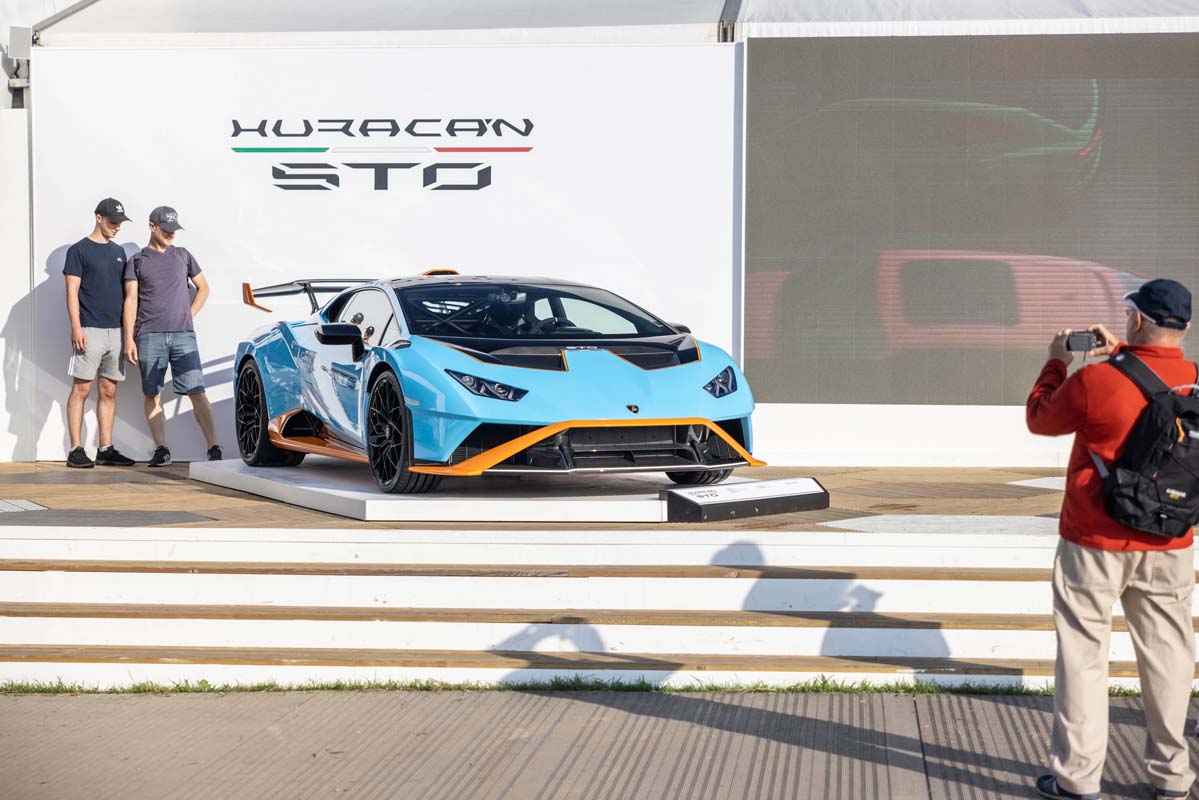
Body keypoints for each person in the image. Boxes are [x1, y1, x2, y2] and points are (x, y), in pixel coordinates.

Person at [1026, 278, 1196, 800]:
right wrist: (1123, 351)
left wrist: (1057, 362)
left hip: (1093, 541)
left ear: (1137, 319)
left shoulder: (1094, 381)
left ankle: (1078, 779)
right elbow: (1153, 386)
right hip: (1169, 542)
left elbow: (1039, 418)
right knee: (1168, 657)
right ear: (1185, 327)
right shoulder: (1193, 382)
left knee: (1083, 656)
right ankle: (1172, 777)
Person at [122, 206, 220, 466]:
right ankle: (162, 449)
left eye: (174, 229)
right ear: (152, 226)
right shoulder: (137, 261)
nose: (171, 234)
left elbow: (203, 288)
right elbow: (131, 301)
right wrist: (129, 339)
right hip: (148, 335)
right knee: (152, 394)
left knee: (197, 391)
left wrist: (189, 315)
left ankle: (214, 447)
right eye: (166, 229)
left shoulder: (184, 256)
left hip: (183, 336)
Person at [63, 198, 137, 468]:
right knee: (81, 389)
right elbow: (71, 291)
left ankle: (105, 449)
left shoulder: (119, 252)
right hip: (89, 329)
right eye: (113, 222)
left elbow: (127, 295)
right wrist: (76, 327)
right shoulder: (78, 250)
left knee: (108, 391)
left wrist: (127, 335)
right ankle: (76, 449)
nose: (117, 227)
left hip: (115, 332)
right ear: (98, 217)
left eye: (120, 223)